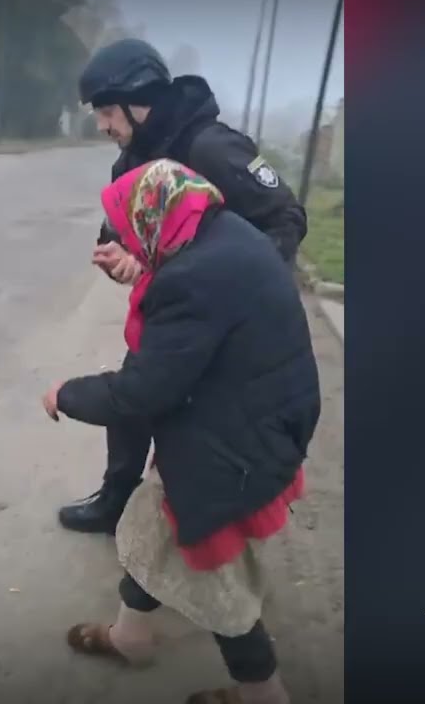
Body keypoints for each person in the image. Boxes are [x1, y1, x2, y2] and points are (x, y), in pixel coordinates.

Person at [42, 159, 320, 704]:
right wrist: (138, 265)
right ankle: (131, 637)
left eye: (130, 230)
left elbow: (142, 391)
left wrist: (65, 394)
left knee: (220, 588)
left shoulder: (192, 279)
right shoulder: (223, 233)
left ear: (153, 216)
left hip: (229, 457)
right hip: (253, 425)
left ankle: (264, 694)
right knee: (153, 531)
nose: (129, 241)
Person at [58, 38, 311, 535]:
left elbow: (288, 218)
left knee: (201, 429)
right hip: (172, 310)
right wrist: (119, 256)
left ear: (139, 100)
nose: (102, 125)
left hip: (233, 323)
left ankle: (203, 536)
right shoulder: (130, 160)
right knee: (134, 396)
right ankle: (116, 498)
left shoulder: (212, 148)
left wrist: (235, 280)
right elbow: (118, 235)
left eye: (107, 111)